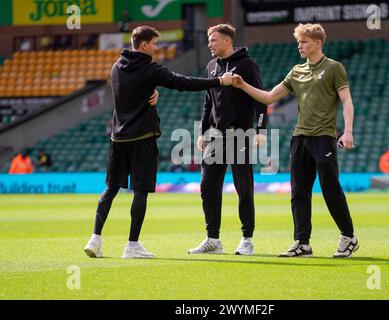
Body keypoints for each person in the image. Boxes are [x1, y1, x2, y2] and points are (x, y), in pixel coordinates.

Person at [83, 26, 234, 259]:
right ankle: (132, 245)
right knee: (140, 191)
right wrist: (218, 82)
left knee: (110, 188)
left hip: (117, 138)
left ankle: (95, 239)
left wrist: (152, 92)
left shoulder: (116, 67)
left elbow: (129, 94)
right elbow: (183, 83)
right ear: (143, 45)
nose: (157, 48)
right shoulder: (150, 69)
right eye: (154, 43)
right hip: (142, 138)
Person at [231, 23, 359, 258]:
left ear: (317, 43)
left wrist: (348, 131)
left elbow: (347, 101)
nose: (299, 46)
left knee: (330, 189)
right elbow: (269, 97)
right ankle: (302, 243)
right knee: (299, 192)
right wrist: (242, 85)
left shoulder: (334, 68)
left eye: (304, 42)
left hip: (324, 137)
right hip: (299, 137)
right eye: (299, 42)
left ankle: (348, 236)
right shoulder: (296, 71)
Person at [188, 24, 268, 256]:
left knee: (244, 187)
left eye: (213, 40)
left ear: (226, 41)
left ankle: (247, 239)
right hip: (215, 137)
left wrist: (261, 130)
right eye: (209, 40)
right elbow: (208, 102)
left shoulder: (247, 65)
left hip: (240, 134)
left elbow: (260, 99)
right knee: (207, 186)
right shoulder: (211, 67)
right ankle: (213, 239)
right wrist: (203, 131)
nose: (210, 44)